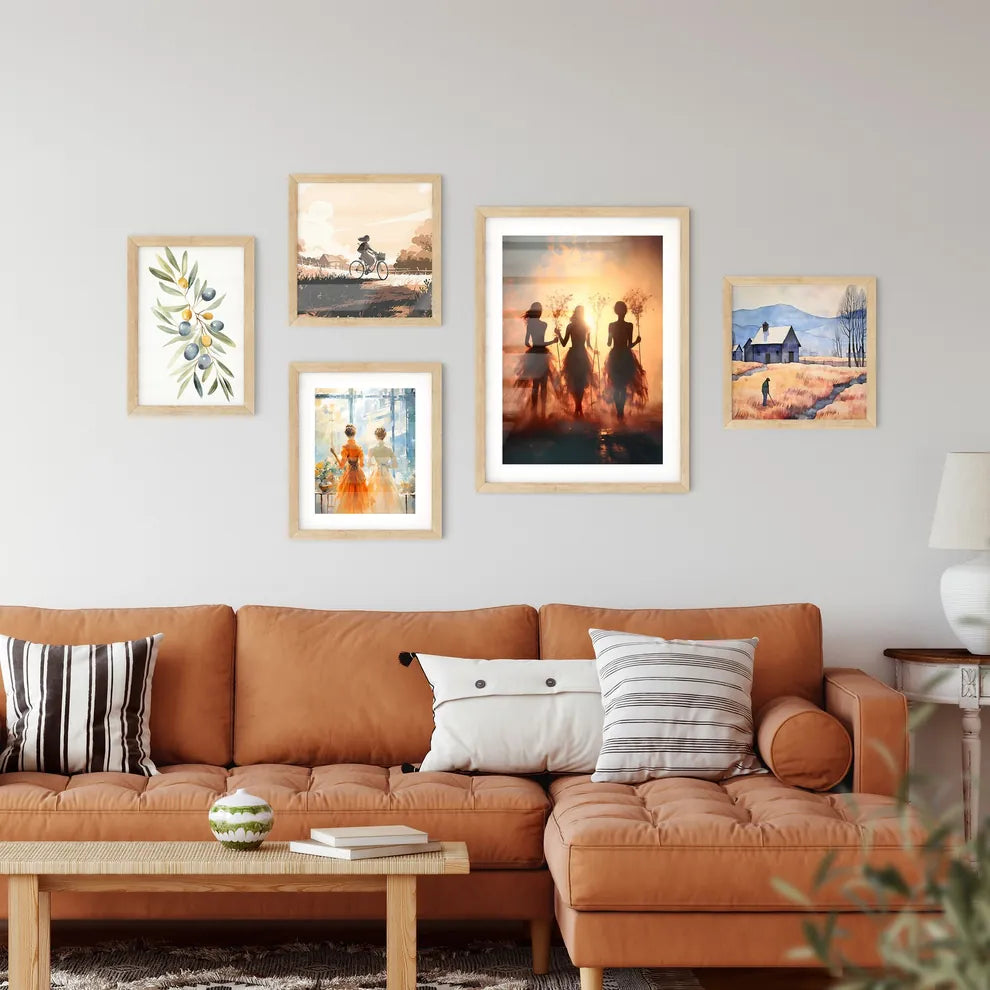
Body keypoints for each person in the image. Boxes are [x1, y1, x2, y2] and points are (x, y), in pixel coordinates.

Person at [604, 300, 648, 420]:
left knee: (619, 385)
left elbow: (608, 343)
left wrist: (635, 342)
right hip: (623, 356)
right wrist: (636, 342)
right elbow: (628, 344)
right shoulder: (627, 326)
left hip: (618, 356)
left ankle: (620, 411)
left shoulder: (613, 326)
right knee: (620, 386)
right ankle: (620, 412)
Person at [517, 301, 556, 417]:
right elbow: (541, 342)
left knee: (535, 385)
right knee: (543, 386)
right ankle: (543, 413)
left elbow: (526, 342)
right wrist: (552, 342)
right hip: (542, 355)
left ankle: (534, 412)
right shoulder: (543, 324)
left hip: (534, 355)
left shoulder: (530, 325)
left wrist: (532, 348)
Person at [557, 305, 594, 417]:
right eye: (579, 312)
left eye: (581, 312)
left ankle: (578, 408)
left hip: (582, 354)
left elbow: (588, 345)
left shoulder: (586, 327)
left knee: (581, 382)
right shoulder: (570, 327)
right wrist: (558, 334)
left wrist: (594, 350)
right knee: (573, 381)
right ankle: (578, 408)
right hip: (573, 355)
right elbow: (564, 343)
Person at [331, 424, 370, 513]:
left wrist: (334, 455)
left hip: (349, 475)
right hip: (358, 474)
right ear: (354, 434)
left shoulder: (345, 447)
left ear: (346, 434)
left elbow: (341, 465)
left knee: (347, 498)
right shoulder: (359, 448)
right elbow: (362, 464)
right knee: (359, 499)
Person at [367, 426, 402, 513]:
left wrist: (376, 464)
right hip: (386, 472)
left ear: (376, 436)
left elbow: (368, 464)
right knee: (387, 495)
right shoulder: (389, 449)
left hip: (377, 472)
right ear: (384, 436)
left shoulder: (372, 449)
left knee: (376, 493)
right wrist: (386, 465)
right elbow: (395, 465)